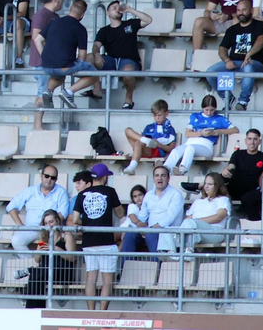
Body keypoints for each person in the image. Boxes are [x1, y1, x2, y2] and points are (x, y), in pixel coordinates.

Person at [66, 168, 124, 309]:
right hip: (106, 240)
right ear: (104, 177)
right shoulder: (110, 191)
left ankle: (91, 312)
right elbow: (120, 213)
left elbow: (75, 219)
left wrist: (87, 222)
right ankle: (102, 313)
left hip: (89, 241)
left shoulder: (82, 195)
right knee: (107, 280)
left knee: (90, 279)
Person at [206, 3, 263, 108]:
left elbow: (261, 40)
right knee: (210, 72)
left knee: (248, 66)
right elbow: (222, 48)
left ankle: (243, 102)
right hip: (235, 63)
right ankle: (228, 98)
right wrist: (227, 60)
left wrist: (249, 54)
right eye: (239, 10)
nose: (241, 13)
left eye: (244, 10)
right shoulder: (232, 29)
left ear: (252, 11)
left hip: (255, 63)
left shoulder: (260, 25)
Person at [93, 0, 150, 109]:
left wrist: (130, 10)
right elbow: (96, 46)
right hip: (111, 61)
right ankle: (97, 89)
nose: (117, 10)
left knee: (127, 71)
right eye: (114, 8)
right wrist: (96, 54)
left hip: (129, 61)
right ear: (108, 13)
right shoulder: (104, 31)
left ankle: (128, 99)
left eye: (119, 8)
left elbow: (148, 20)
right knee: (89, 57)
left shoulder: (129, 24)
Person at [164, 95, 235, 175]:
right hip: (190, 142)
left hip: (206, 146)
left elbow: (235, 129)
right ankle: (165, 169)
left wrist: (218, 132)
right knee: (176, 150)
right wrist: (201, 133)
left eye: (212, 110)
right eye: (206, 110)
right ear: (202, 108)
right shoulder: (195, 116)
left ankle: (182, 170)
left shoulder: (219, 119)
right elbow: (187, 134)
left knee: (190, 148)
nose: (209, 113)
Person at [123, 98, 179, 174]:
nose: (157, 118)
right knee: (127, 130)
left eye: (159, 115)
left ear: (167, 113)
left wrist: (158, 144)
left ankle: (131, 167)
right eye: (155, 115)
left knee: (138, 142)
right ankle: (146, 140)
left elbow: (171, 148)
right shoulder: (149, 127)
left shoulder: (170, 129)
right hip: (141, 147)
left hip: (156, 150)